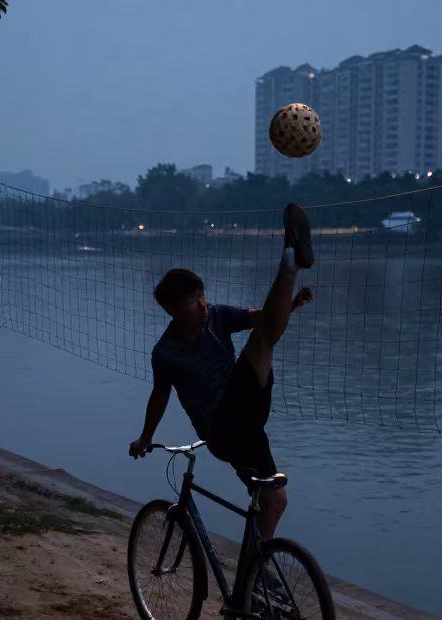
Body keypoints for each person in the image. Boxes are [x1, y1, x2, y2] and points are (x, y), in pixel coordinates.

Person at [129, 203, 315, 544]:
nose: (202, 303)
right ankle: (288, 265)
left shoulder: (218, 316)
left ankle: (252, 578)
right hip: (221, 430)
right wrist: (145, 437)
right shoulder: (165, 353)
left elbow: (262, 318)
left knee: (274, 499)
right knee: (260, 343)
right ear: (171, 309)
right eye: (191, 300)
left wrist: (290, 306)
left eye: (201, 294)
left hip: (249, 415)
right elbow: (160, 395)